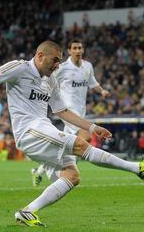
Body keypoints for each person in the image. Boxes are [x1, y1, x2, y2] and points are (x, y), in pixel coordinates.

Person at [0, 40, 144, 227]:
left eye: (59, 62)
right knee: (81, 147)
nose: (57, 66)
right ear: (40, 55)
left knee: (72, 176)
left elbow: (62, 111)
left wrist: (92, 127)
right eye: (55, 60)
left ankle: (27, 211)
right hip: (29, 131)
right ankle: (137, 169)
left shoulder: (51, 80)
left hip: (44, 129)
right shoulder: (18, 68)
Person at [31, 39, 110, 187]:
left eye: (80, 48)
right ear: (69, 51)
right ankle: (68, 171)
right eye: (75, 48)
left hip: (81, 113)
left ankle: (40, 170)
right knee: (85, 136)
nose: (78, 50)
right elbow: (47, 77)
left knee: (66, 146)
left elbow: (93, 82)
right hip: (67, 111)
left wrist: (102, 91)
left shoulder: (88, 66)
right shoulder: (62, 67)